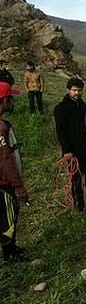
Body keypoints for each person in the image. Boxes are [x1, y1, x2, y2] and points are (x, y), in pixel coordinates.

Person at [53, 78, 86, 211]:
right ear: (68, 90)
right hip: (72, 150)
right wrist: (66, 150)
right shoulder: (61, 109)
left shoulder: (83, 105)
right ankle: (79, 205)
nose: (77, 93)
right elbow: (61, 132)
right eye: (74, 90)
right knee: (75, 178)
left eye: (79, 90)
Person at [0, 82, 28, 264]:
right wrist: (18, 186)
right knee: (8, 216)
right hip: (4, 183)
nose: (12, 102)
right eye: (10, 98)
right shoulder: (1, 128)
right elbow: (5, 160)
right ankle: (10, 254)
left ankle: (11, 248)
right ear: (3, 101)